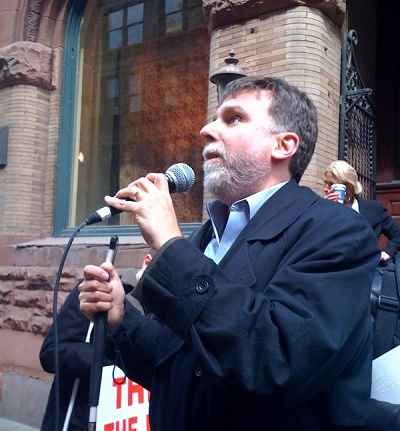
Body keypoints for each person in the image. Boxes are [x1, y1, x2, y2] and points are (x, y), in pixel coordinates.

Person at [78, 76, 396, 430]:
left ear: (284, 144)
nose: (206, 130)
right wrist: (121, 318)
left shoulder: (338, 231)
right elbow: (185, 369)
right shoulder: (205, 237)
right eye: (215, 119)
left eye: (233, 119)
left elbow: (273, 362)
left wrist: (171, 245)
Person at [39, 255, 151, 431]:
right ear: (148, 262)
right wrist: (112, 360)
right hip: (79, 418)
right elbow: (51, 352)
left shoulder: (171, 312)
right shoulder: (97, 293)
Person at [324, 160, 400, 261]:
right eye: (325, 183)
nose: (325, 188)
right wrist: (323, 210)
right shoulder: (323, 209)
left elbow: (397, 234)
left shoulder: (374, 209)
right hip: (335, 269)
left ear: (348, 188)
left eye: (330, 184)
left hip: (366, 270)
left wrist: (387, 252)